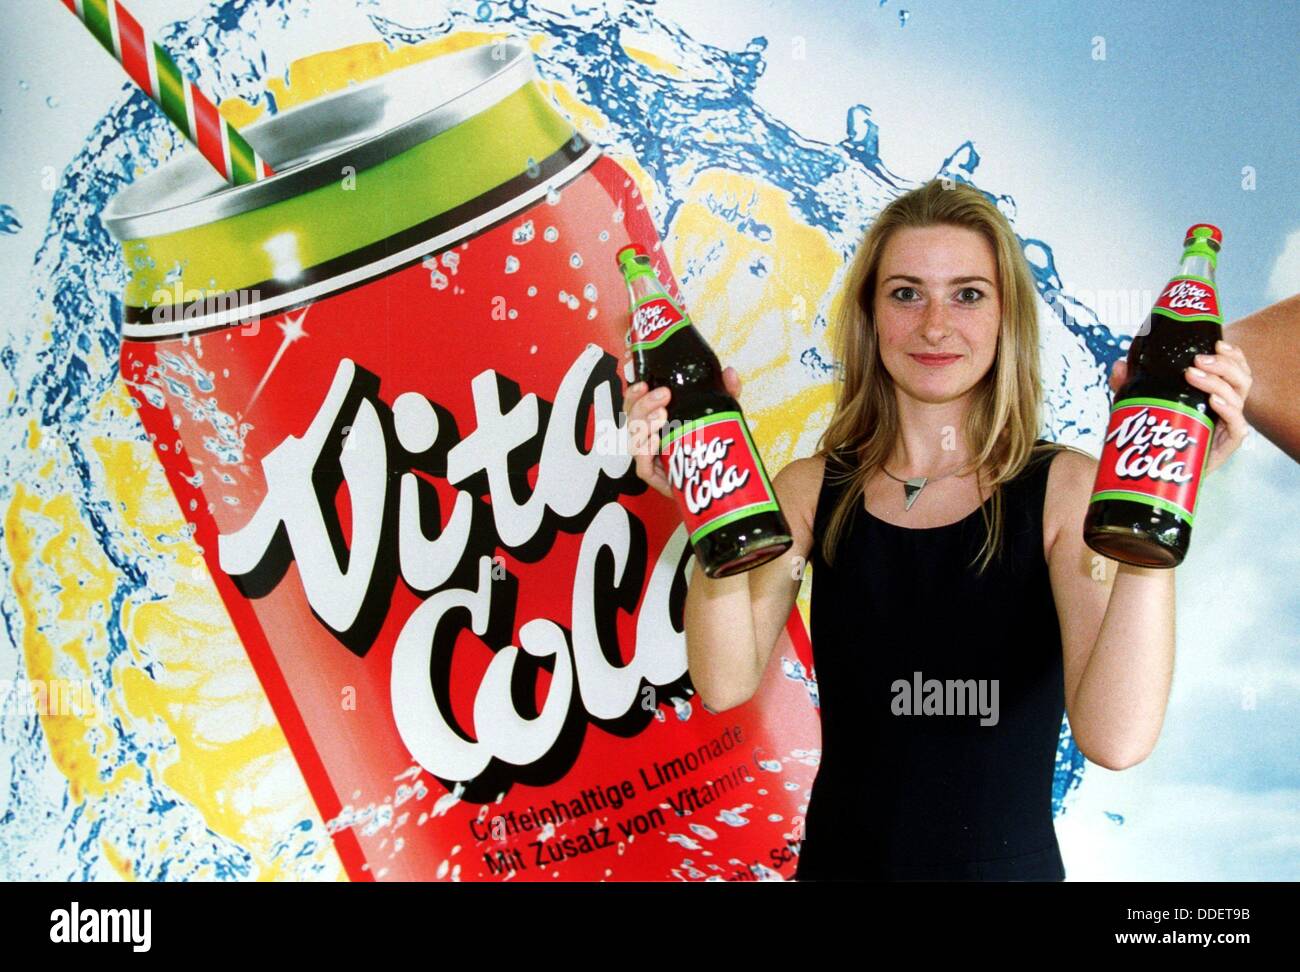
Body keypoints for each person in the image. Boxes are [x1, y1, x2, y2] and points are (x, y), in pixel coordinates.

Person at [618, 179, 1254, 881]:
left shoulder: (1067, 489)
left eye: (968, 294)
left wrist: (1160, 503)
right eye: (906, 293)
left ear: (1007, 317)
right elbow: (724, 681)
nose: (935, 324)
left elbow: (1117, 738)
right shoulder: (807, 490)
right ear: (869, 314)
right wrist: (703, 503)